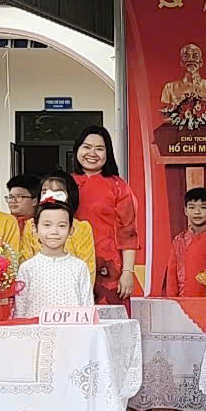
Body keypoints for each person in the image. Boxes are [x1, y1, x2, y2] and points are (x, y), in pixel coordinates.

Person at [72, 126, 143, 304]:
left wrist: (127, 272)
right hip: (71, 264)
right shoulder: (65, 184)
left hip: (108, 268)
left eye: (99, 149)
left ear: (108, 153)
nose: (92, 153)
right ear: (77, 149)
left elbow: (128, 232)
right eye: (86, 147)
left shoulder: (118, 186)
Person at [14, 201, 95, 317]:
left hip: (73, 327)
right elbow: (20, 310)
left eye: (61, 226)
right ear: (35, 229)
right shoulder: (27, 268)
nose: (54, 231)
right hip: (35, 327)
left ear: (71, 230)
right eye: (47, 225)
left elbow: (87, 307)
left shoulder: (80, 267)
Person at [22, 171, 97, 278]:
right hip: (37, 283)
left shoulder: (81, 227)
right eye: (45, 191)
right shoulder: (31, 225)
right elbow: (26, 261)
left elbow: (88, 270)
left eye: (57, 192)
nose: (50, 196)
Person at [156, 188, 206, 297]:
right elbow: (171, 278)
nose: (197, 212)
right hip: (183, 300)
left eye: (203, 207)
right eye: (192, 207)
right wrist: (172, 301)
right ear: (185, 210)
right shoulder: (179, 241)